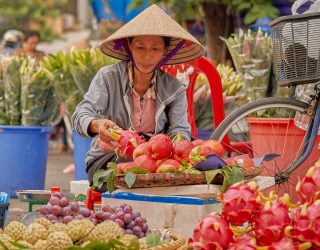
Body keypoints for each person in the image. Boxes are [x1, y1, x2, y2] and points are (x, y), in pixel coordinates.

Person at [72, 4, 204, 187]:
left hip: (154, 167)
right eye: (140, 47)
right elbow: (80, 114)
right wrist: (98, 124)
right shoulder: (108, 77)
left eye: (155, 49)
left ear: (164, 52)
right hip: (108, 162)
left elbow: (180, 130)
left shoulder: (174, 89)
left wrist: (176, 149)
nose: (147, 56)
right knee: (127, 173)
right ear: (130, 47)